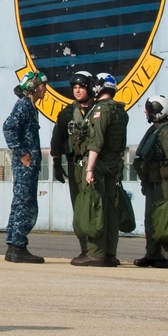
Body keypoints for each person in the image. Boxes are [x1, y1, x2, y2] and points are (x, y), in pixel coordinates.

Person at [73, 72, 128, 267]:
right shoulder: (121, 111)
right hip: (114, 164)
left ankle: (95, 253)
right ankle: (110, 254)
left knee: (94, 206)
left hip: (100, 165)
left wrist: (89, 169)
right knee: (111, 209)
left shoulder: (101, 110)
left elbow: (96, 142)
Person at [3, 70, 48, 263]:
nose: (45, 89)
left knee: (21, 202)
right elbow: (9, 128)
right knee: (25, 204)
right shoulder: (23, 106)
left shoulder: (30, 106)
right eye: (42, 85)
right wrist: (21, 153)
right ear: (33, 87)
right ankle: (18, 246)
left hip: (29, 163)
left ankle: (14, 246)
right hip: (25, 164)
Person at [49, 70, 95, 263]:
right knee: (79, 207)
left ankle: (100, 250)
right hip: (75, 165)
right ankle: (85, 248)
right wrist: (56, 163)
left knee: (97, 206)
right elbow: (57, 138)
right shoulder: (67, 113)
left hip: (94, 166)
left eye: (81, 87)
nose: (77, 91)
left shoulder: (100, 110)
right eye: (75, 88)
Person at [133, 95, 168, 269]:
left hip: (166, 183)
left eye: (148, 109)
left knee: (166, 219)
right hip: (153, 183)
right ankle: (152, 254)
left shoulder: (167, 132)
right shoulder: (155, 130)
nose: (145, 112)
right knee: (151, 220)